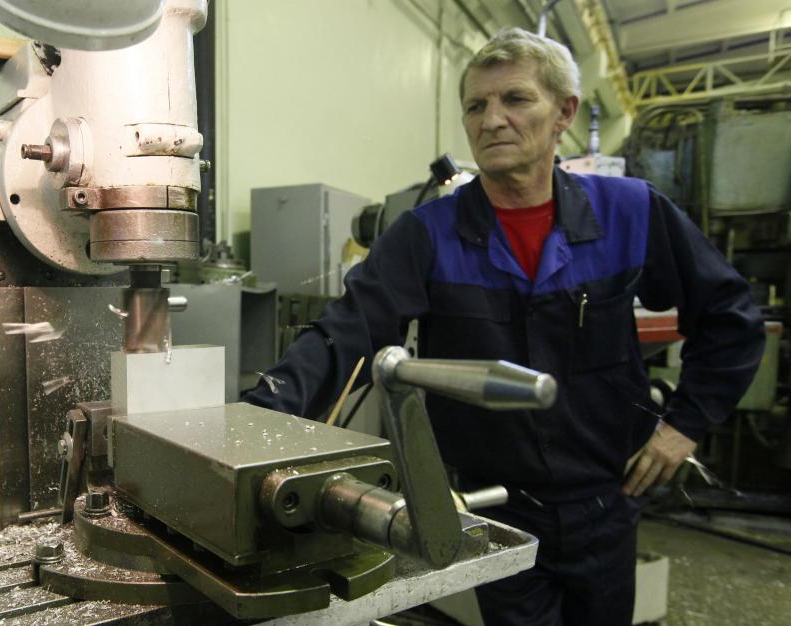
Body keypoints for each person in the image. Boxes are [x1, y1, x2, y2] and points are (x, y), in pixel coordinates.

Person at [244, 27, 764, 626]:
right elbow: (344, 334)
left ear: (564, 111)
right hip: (494, 509)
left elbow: (731, 319)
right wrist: (258, 418)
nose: (492, 119)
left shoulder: (631, 211)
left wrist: (684, 425)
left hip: (608, 498)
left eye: (514, 99)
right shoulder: (428, 234)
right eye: (476, 104)